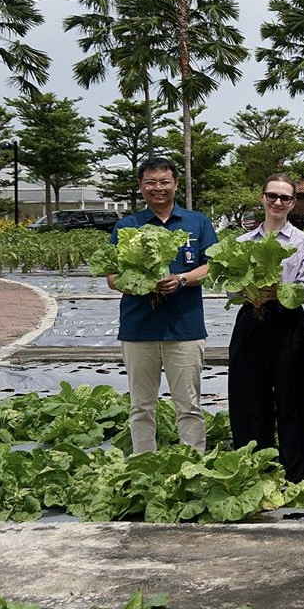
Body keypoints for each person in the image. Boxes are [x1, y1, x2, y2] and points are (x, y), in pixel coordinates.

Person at [107, 156, 218, 454]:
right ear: (141, 187)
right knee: (141, 405)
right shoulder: (127, 226)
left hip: (185, 327)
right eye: (151, 183)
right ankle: (145, 463)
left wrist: (181, 279)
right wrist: (142, 284)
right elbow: (112, 275)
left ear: (176, 184)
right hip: (138, 327)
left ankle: (192, 461)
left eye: (164, 182)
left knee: (189, 404)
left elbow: (212, 265)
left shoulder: (198, 222)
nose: (158, 188)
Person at [227, 173, 304, 482]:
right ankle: (256, 470)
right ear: (262, 198)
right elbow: (230, 288)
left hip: (288, 324)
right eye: (272, 196)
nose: (277, 202)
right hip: (251, 320)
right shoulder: (241, 243)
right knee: (250, 398)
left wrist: (277, 291)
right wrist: (251, 292)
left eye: (284, 198)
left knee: (293, 398)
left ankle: (297, 472)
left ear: (293, 203)